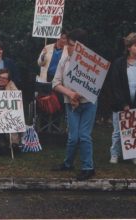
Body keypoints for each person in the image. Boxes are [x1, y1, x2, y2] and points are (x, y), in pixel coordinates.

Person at [51, 28, 97, 181]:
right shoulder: (64, 61)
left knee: (84, 135)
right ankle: (68, 163)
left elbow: (94, 85)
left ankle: (88, 167)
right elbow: (55, 83)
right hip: (70, 103)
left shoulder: (92, 62)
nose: (67, 48)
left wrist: (77, 96)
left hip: (88, 103)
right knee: (73, 137)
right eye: (68, 44)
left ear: (80, 47)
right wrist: (70, 95)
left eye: (71, 45)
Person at [109, 32, 136, 164]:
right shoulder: (119, 63)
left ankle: (135, 155)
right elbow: (115, 85)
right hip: (120, 104)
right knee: (117, 131)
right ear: (128, 47)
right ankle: (115, 154)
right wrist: (123, 104)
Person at [36, 30, 68, 133]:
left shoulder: (68, 50)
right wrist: (42, 56)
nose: (65, 40)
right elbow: (40, 63)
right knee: (45, 103)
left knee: (57, 104)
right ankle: (43, 128)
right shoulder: (48, 47)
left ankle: (55, 128)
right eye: (63, 38)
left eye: (66, 38)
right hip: (46, 79)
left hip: (59, 82)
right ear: (58, 38)